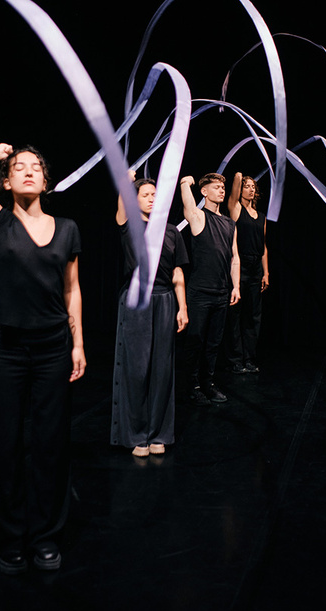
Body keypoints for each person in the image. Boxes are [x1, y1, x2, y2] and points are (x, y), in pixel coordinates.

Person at [0, 143, 86, 575]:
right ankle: (9, 538)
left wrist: (78, 344)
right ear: (7, 181)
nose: (28, 171)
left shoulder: (67, 228)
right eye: (19, 168)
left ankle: (46, 537)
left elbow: (72, 289)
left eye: (36, 168)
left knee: (51, 445)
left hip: (52, 349)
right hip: (7, 349)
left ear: (46, 182)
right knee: (3, 446)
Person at [111, 173, 188, 457]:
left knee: (162, 370)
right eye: (145, 194)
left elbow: (178, 272)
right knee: (137, 369)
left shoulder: (172, 231)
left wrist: (182, 307)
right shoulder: (129, 224)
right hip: (137, 299)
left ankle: (159, 434)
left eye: (155, 194)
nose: (152, 198)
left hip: (165, 300)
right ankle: (136, 435)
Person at [180, 173, 240, 405]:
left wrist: (235, 286)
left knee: (214, 343)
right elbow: (188, 205)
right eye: (216, 187)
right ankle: (192, 386)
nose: (222, 190)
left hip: (222, 292)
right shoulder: (198, 217)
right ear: (204, 192)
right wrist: (185, 183)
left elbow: (234, 258)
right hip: (200, 293)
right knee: (195, 341)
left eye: (223, 187)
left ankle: (208, 383)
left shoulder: (230, 223)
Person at [226, 172, 269, 373]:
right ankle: (235, 359)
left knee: (253, 315)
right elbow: (235, 186)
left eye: (253, 186)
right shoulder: (236, 209)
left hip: (255, 268)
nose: (251, 189)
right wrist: (239, 177)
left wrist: (266, 273)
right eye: (247, 186)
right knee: (235, 314)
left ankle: (249, 358)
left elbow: (264, 246)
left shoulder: (262, 217)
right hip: (239, 265)